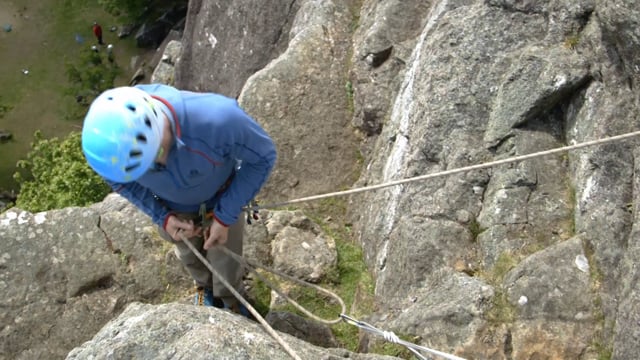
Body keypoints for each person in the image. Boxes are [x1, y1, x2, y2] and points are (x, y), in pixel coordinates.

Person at [81, 85, 277, 317]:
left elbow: (263, 157)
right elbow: (121, 182)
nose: (162, 162)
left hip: (221, 198)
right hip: (172, 209)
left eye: (157, 152)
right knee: (189, 253)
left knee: (225, 257)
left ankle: (230, 299)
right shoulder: (109, 153)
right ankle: (205, 287)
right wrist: (162, 216)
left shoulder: (219, 120)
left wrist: (225, 216)